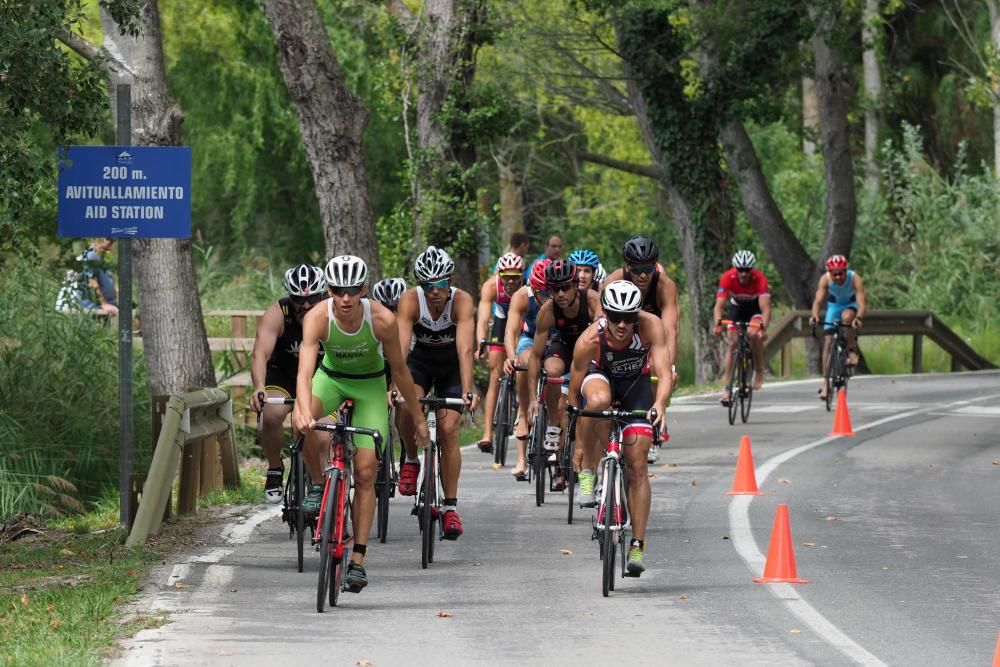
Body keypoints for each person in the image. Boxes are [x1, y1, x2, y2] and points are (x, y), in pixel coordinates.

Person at [292, 255, 430, 593]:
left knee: (367, 472)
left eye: (352, 290)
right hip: (332, 380)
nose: (345, 298)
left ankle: (358, 560)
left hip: (370, 385)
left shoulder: (382, 319)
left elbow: (400, 371)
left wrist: (417, 417)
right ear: (329, 290)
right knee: (303, 422)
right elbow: (306, 371)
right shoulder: (317, 317)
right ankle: (316, 484)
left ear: (363, 290)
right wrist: (301, 408)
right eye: (338, 290)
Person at [567, 280, 672, 576]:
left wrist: (660, 404)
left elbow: (664, 374)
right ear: (606, 315)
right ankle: (590, 470)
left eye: (629, 317)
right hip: (600, 378)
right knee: (597, 401)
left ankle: (637, 543)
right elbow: (574, 395)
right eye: (615, 317)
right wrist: (578, 444)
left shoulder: (650, 326)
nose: (622, 324)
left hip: (636, 386)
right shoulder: (590, 339)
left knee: (638, 466)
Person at [396, 246, 479, 540]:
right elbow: (401, 348)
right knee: (406, 405)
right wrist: (396, 387)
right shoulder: (410, 300)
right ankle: (410, 458)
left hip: (451, 369)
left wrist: (468, 389)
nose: (435, 292)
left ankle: (450, 507)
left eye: (441, 284)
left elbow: (465, 349)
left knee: (447, 430)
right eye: (428, 285)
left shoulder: (462, 301)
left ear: (450, 281)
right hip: (420, 364)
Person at [249, 264, 327, 503]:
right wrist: (259, 387)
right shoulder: (277, 313)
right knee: (269, 415)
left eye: (312, 298)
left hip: (319, 378)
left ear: (322, 294)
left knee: (323, 434)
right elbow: (260, 354)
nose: (305, 305)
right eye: (298, 299)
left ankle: (322, 486)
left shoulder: (331, 312)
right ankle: (274, 468)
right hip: (283, 375)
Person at [526, 259, 600, 486]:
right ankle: (554, 423)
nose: (559, 294)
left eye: (564, 288)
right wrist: (532, 399)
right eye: (553, 289)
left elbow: (601, 338)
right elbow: (535, 356)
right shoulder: (548, 311)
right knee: (552, 371)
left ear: (575, 284)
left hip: (589, 348)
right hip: (564, 346)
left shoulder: (592, 300)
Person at [603, 236, 679, 387]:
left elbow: (670, 330)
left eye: (648, 269)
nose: (643, 275)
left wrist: (669, 367)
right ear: (627, 266)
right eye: (637, 270)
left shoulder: (665, 286)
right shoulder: (614, 281)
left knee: (657, 369)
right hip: (621, 331)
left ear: (655, 266)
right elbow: (601, 321)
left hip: (653, 333)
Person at [502, 259, 551, 478]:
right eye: (541, 291)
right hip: (530, 339)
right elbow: (511, 332)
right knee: (525, 362)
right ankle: (523, 415)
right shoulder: (522, 296)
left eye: (550, 291)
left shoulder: (562, 294)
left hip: (555, 340)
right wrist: (511, 357)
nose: (547, 296)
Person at [475, 252, 525, 452]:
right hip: (502, 318)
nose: (511, 281)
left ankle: (522, 409)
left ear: (522, 275)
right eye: (506, 276)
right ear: (499, 274)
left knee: (522, 362)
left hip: (521, 320)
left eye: (515, 276)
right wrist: (481, 342)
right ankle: (487, 433)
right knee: (495, 375)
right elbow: (482, 319)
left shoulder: (527, 288)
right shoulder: (490, 286)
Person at [712, 250, 772, 405]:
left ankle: (759, 370)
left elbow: (765, 309)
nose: (744, 274)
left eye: (747, 270)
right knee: (732, 343)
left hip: (754, 309)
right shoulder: (727, 278)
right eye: (740, 270)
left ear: (752, 270)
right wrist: (718, 323)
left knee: (753, 334)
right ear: (735, 269)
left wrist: (762, 328)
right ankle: (727, 389)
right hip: (737, 309)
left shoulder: (760, 279)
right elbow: (719, 306)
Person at [809, 255, 866, 399]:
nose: (839, 277)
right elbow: (817, 301)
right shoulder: (825, 279)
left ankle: (852, 350)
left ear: (846, 271)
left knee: (847, 318)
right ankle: (826, 384)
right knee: (828, 342)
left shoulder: (854, 278)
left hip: (850, 305)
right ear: (830, 273)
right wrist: (815, 316)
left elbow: (861, 302)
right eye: (835, 274)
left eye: (841, 273)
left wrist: (858, 317)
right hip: (834, 307)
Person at [55, 238, 118, 314]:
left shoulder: (95, 258)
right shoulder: (90, 257)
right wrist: (104, 304)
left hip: (85, 305)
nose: (111, 247)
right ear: (97, 240)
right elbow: (92, 283)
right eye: (109, 241)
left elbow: (105, 284)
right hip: (76, 306)